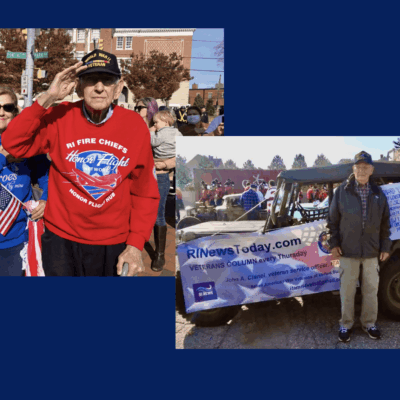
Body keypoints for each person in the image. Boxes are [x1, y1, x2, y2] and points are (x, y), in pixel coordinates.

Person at [2, 50, 160, 277]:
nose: (99, 87)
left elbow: (144, 192)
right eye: (90, 80)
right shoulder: (59, 116)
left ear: (118, 87)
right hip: (60, 239)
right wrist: (48, 97)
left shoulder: (134, 125)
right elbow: (14, 144)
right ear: (78, 86)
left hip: (113, 241)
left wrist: (135, 245)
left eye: (107, 80)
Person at [327, 151, 391, 342]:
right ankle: (346, 325)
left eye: (365, 167)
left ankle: (369, 323)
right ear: (353, 169)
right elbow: (332, 221)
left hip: (372, 252)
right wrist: (334, 244)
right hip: (347, 251)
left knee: (371, 290)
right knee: (347, 291)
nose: (362, 170)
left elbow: (385, 223)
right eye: (358, 167)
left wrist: (385, 247)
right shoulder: (341, 192)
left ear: (371, 170)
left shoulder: (379, 193)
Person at [0, 86, 50, 276]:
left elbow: (46, 176)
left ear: (15, 111)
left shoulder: (27, 143)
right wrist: (3, 157)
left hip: (17, 236)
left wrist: (46, 200)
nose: (1, 112)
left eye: (7, 106)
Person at [150, 109, 182, 271]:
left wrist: (150, 131)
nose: (154, 125)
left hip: (160, 176)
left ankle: (160, 254)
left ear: (165, 121)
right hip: (150, 175)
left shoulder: (158, 133)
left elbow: (152, 142)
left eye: (156, 122)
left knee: (158, 213)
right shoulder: (178, 133)